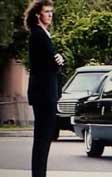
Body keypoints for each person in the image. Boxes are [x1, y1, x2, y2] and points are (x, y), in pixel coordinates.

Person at [24, 1, 64, 177]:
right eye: (46, 12)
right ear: (37, 15)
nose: (50, 15)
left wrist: (58, 59)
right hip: (44, 93)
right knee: (42, 138)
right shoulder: (39, 35)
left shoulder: (42, 34)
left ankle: (39, 174)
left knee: (43, 138)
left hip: (44, 93)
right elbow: (48, 64)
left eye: (51, 12)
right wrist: (58, 61)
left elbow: (51, 61)